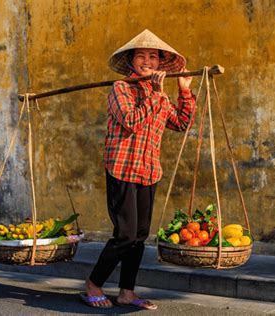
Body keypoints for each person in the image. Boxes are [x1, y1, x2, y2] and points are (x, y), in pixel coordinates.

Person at [80, 29, 196, 310]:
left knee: (140, 236)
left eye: (153, 57)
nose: (147, 61)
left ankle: (126, 292)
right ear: (132, 61)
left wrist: (183, 91)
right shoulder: (121, 89)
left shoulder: (162, 97)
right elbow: (131, 121)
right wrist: (156, 94)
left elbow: (181, 123)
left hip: (148, 170)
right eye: (141, 56)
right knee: (125, 234)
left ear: (160, 64)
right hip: (122, 168)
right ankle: (93, 284)